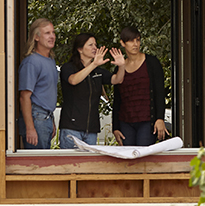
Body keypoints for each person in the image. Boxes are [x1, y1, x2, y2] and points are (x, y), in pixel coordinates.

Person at [58, 33, 127, 149]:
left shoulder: (97, 71)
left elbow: (117, 80)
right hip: (71, 127)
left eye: (95, 45)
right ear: (80, 49)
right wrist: (94, 64)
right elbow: (73, 80)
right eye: (90, 45)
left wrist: (122, 66)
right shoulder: (68, 67)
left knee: (89, 165)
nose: (95, 48)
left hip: (91, 129)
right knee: (71, 165)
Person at [112, 26, 169, 146]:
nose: (135, 44)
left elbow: (159, 92)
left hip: (147, 121)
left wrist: (159, 118)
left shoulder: (152, 63)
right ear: (123, 43)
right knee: (128, 158)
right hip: (125, 121)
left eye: (137, 40)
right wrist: (115, 127)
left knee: (144, 157)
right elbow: (117, 100)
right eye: (131, 40)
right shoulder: (119, 68)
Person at [18, 18, 58, 149]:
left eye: (53, 32)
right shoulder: (31, 62)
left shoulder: (50, 60)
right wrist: (30, 128)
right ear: (36, 37)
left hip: (46, 117)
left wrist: (51, 120)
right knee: (38, 164)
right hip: (36, 118)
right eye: (47, 33)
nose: (52, 36)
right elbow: (24, 97)